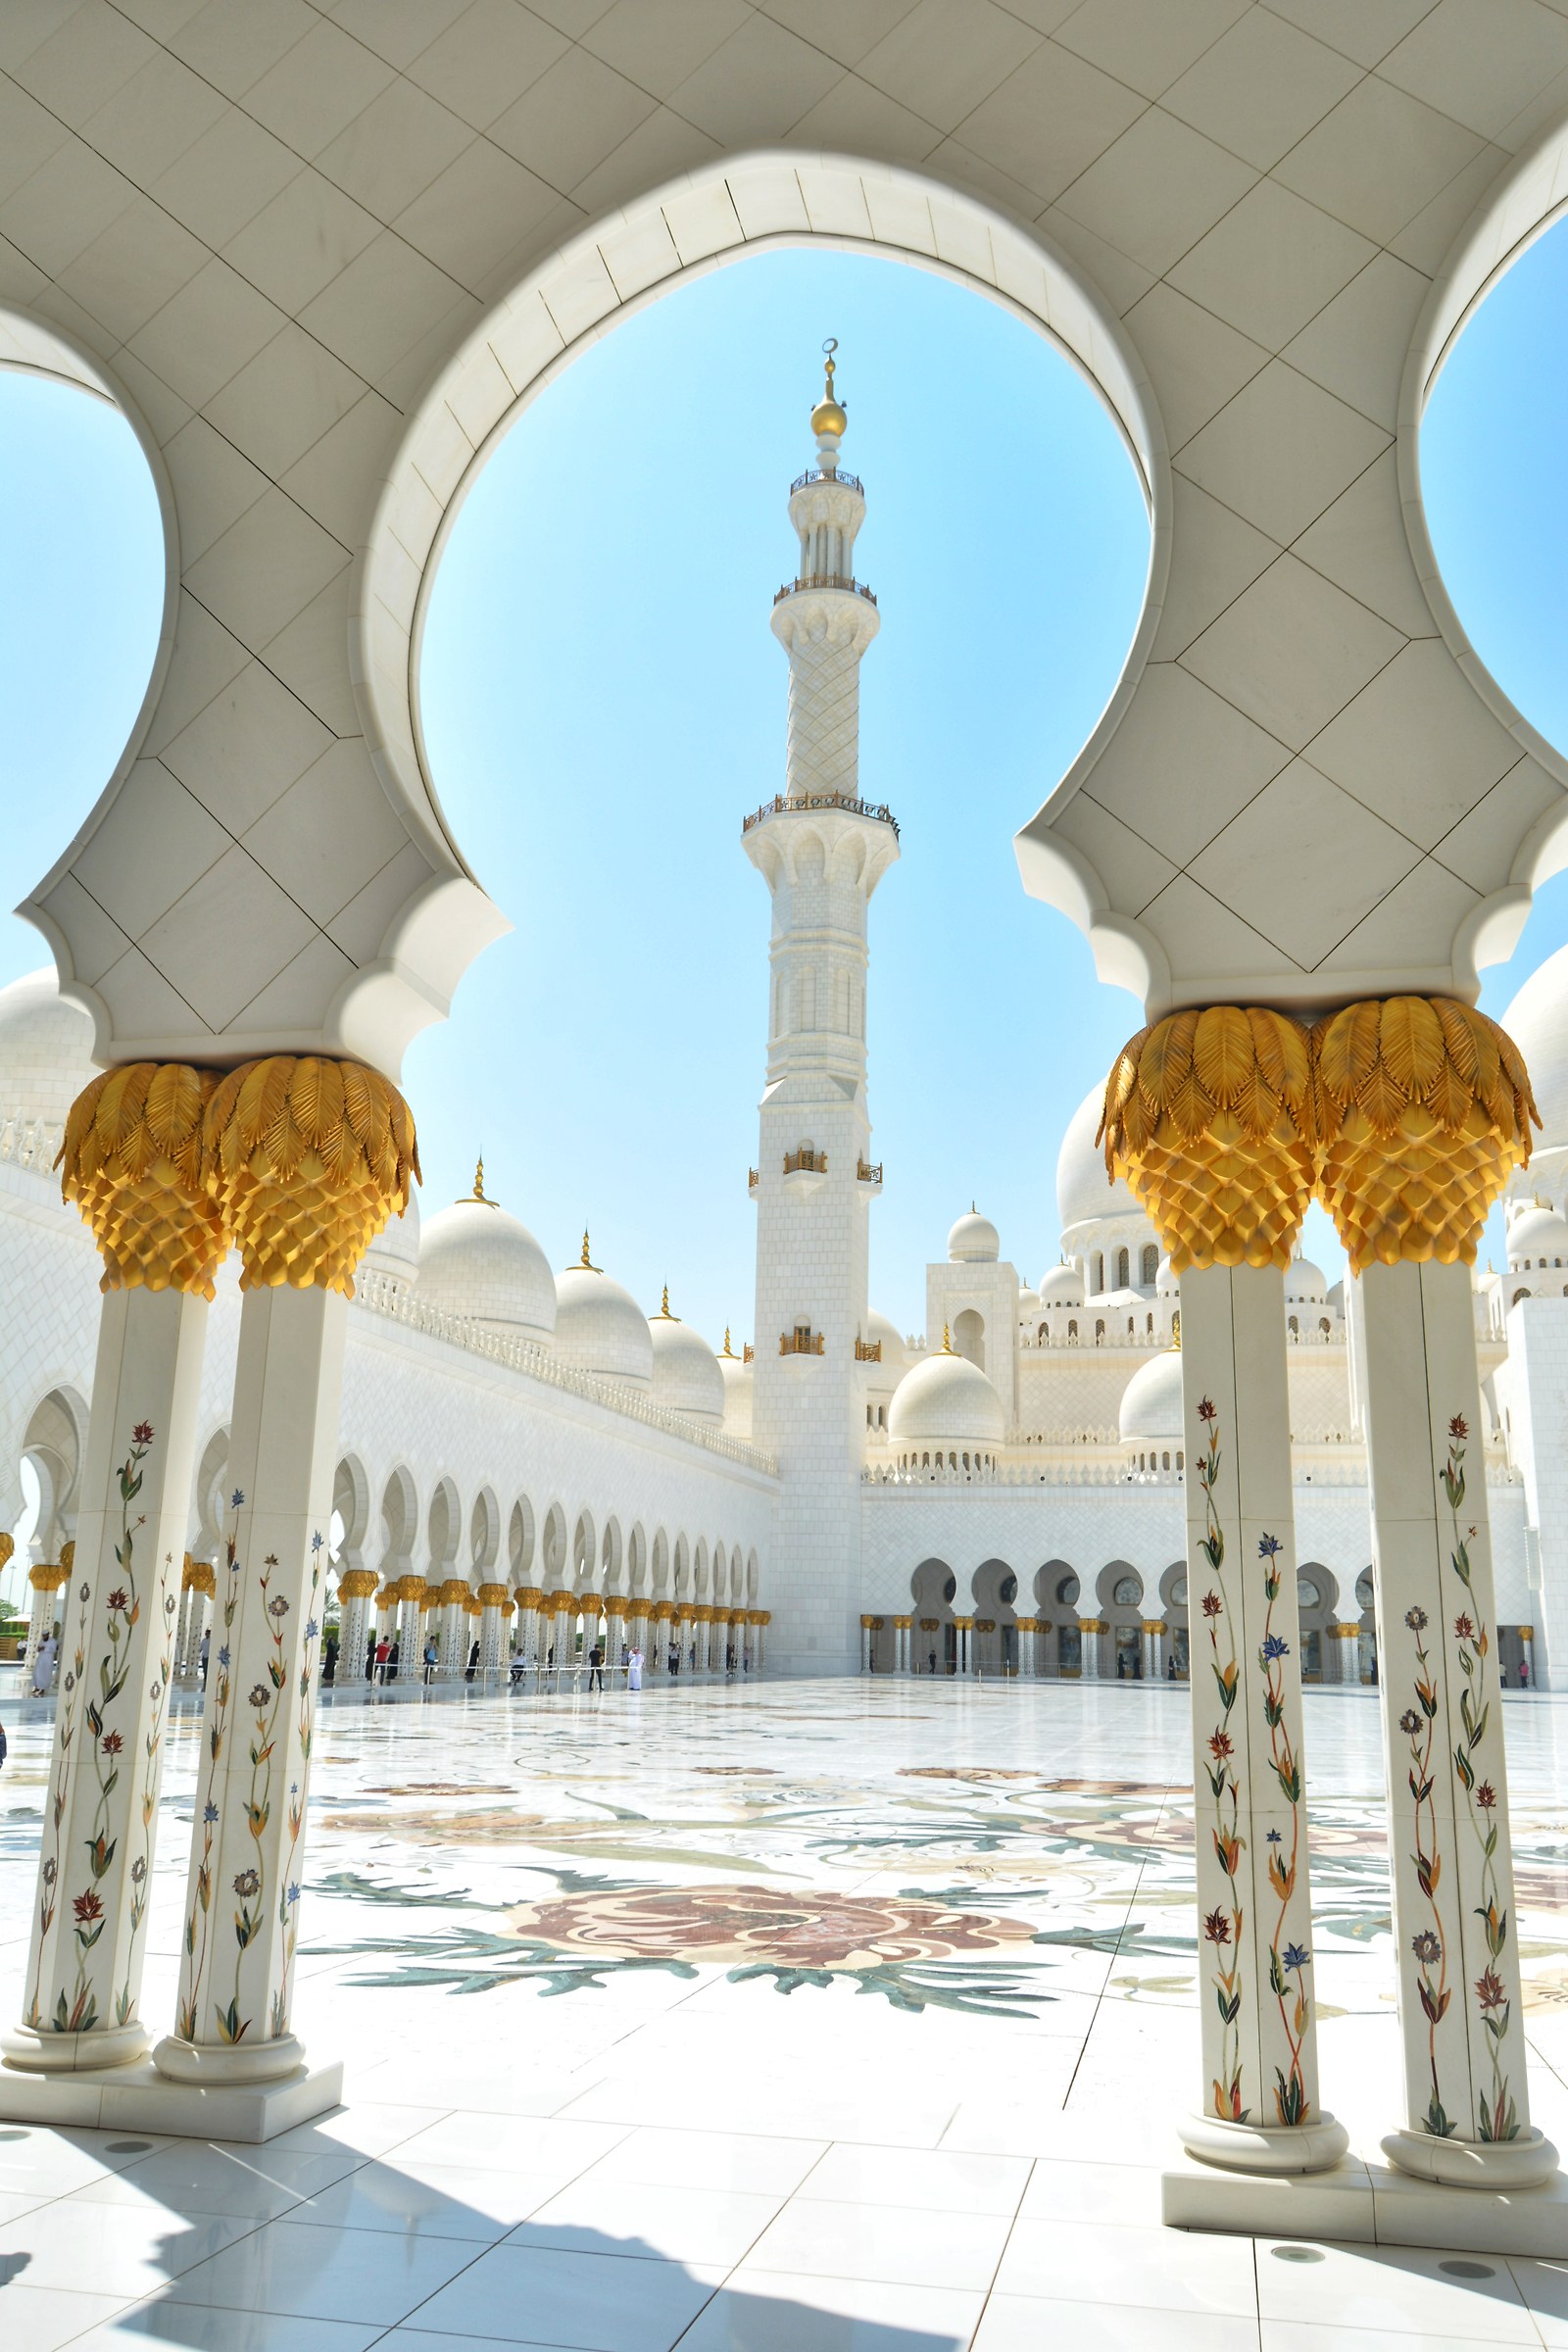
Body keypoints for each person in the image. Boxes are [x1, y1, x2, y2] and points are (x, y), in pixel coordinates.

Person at [30, 1629, 57, 1697]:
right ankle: (37, 1687)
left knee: (45, 1674)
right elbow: (38, 1648)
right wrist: (39, 1649)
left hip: (48, 1660)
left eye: (45, 1635)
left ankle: (42, 1688)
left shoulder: (52, 1641)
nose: (44, 1637)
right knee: (37, 1673)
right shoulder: (41, 1641)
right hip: (40, 1659)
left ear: (48, 1635)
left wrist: (45, 1649)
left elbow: (54, 1650)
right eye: (43, 1636)